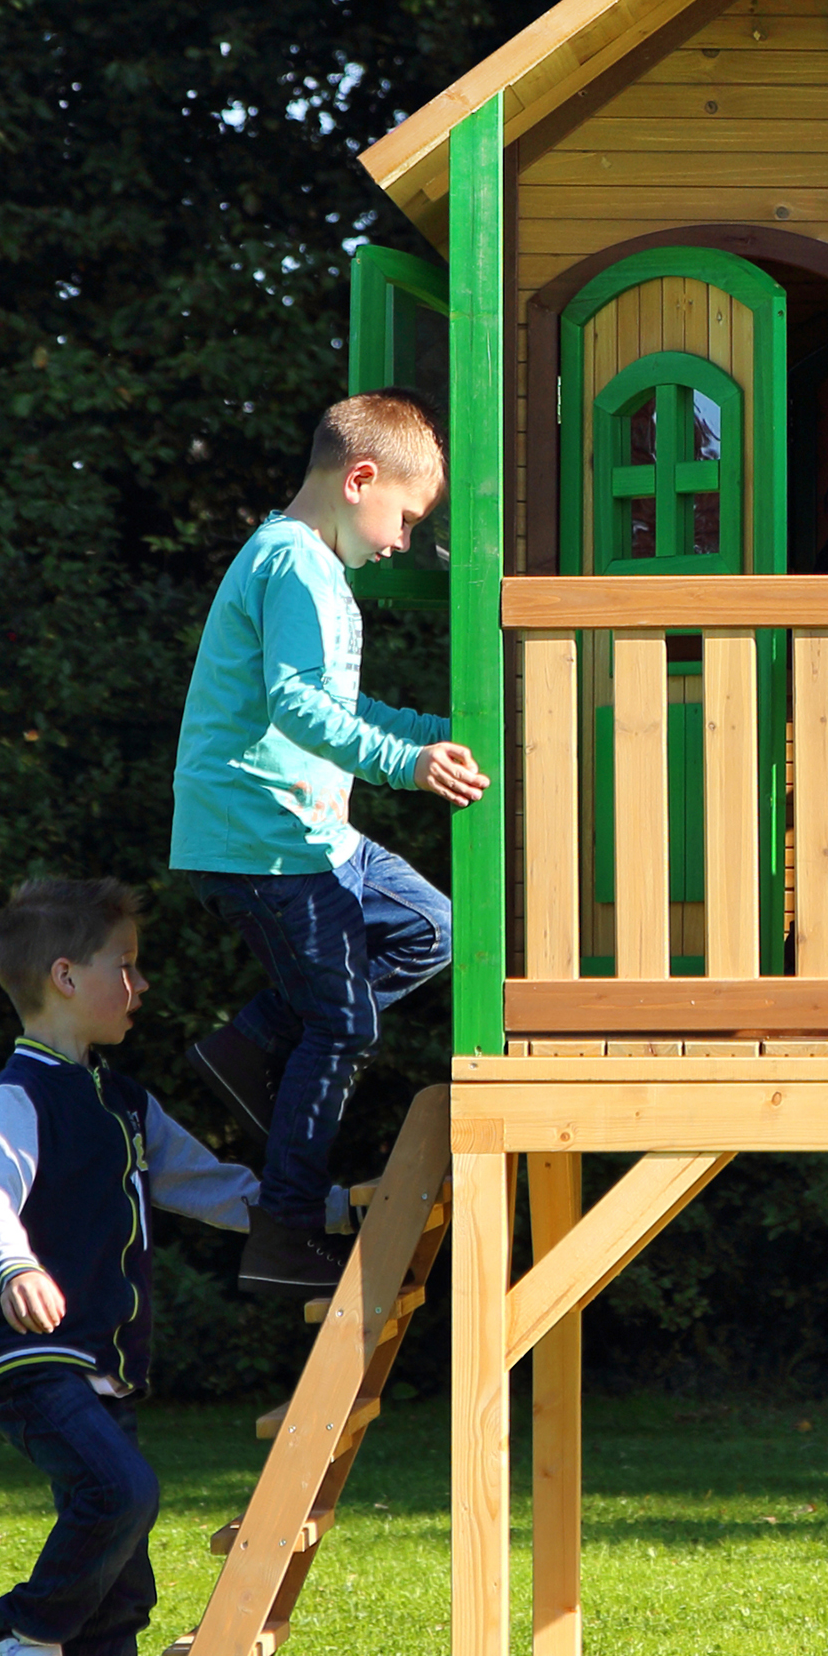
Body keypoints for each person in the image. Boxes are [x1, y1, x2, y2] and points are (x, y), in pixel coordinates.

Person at [0, 878, 259, 1656]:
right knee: (124, 1492)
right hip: (27, 1355)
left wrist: (328, 1212)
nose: (139, 984)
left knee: (124, 1594)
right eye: (122, 967)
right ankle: (25, 1631)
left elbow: (208, 1186)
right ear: (63, 976)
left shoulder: (124, 1101)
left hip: (100, 1372)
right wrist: (15, 1269)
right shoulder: (19, 1095)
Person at [170, 392, 485, 1295]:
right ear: (358, 479)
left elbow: (339, 708)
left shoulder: (315, 568)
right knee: (342, 1026)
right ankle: (285, 1235)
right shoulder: (294, 564)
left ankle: (251, 1040)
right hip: (260, 836)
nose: (401, 541)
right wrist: (404, 763)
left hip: (310, 833)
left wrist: (443, 732)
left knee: (433, 928)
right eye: (405, 518)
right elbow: (298, 706)